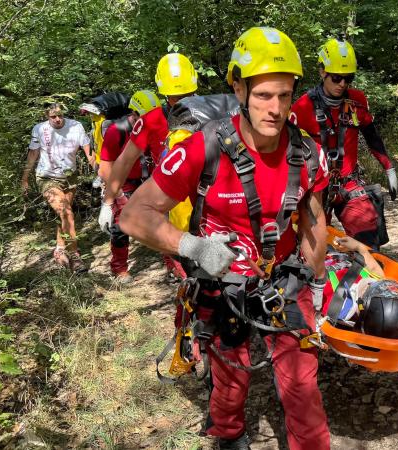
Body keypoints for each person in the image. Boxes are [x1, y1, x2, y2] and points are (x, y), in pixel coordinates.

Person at [118, 27, 330, 449]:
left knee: (303, 383)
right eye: (264, 95)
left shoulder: (307, 153)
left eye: (284, 96)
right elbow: (135, 215)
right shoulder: (202, 148)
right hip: (224, 285)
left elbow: (313, 219)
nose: (275, 108)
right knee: (230, 375)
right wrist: (192, 247)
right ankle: (228, 433)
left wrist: (319, 279)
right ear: (239, 87)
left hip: (284, 281)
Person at [99, 53, 198, 281]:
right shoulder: (218, 108)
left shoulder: (151, 119)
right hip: (194, 193)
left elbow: (124, 161)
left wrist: (108, 201)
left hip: (177, 192)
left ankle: (185, 279)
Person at [291, 38, 397, 250]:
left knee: (369, 245)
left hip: (348, 183)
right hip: (316, 188)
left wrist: (389, 167)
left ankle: (371, 279)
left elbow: (371, 135)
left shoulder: (356, 101)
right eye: (337, 78)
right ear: (322, 72)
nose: (342, 84)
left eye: (348, 79)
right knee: (312, 247)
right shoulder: (302, 108)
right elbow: (289, 151)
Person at [97, 90, 162, 283]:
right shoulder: (116, 131)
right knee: (120, 225)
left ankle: (173, 266)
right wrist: (115, 195)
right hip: (123, 183)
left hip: (149, 180)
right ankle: (119, 268)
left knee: (163, 219)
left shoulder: (156, 127)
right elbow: (106, 167)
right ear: (133, 114)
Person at [22, 103, 93, 272]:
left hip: (70, 177)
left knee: (64, 215)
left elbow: (87, 151)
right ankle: (75, 256)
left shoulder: (76, 126)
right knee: (66, 212)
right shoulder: (39, 129)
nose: (58, 119)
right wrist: (24, 178)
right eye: (53, 116)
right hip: (47, 177)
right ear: (47, 116)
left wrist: (99, 169)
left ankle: (60, 250)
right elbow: (33, 154)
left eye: (60, 115)